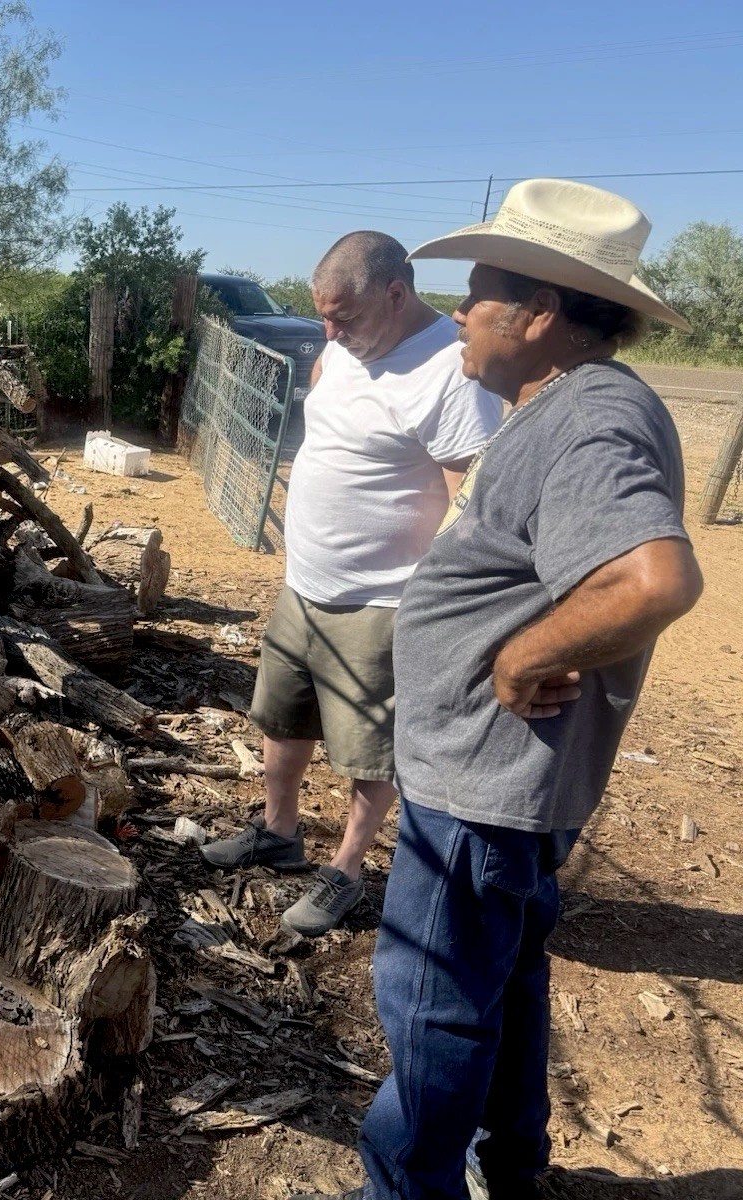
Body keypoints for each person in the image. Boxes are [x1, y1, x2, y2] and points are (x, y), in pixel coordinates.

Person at [299, 179, 704, 1200]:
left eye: (477, 293)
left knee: (433, 1009)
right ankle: (509, 1167)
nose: (460, 311)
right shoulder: (555, 407)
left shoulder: (589, 417)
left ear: (538, 314)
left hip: (482, 788)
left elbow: (654, 577)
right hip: (493, 785)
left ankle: (406, 1189)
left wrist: (525, 656)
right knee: (504, 982)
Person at [201, 231, 502, 937]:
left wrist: (442, 607)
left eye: (345, 317)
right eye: (324, 316)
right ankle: (278, 832)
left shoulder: (449, 373)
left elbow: (470, 503)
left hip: (383, 602)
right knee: (280, 716)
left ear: (397, 293)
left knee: (371, 749)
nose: (329, 333)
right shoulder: (341, 348)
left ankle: (346, 869)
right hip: (305, 583)